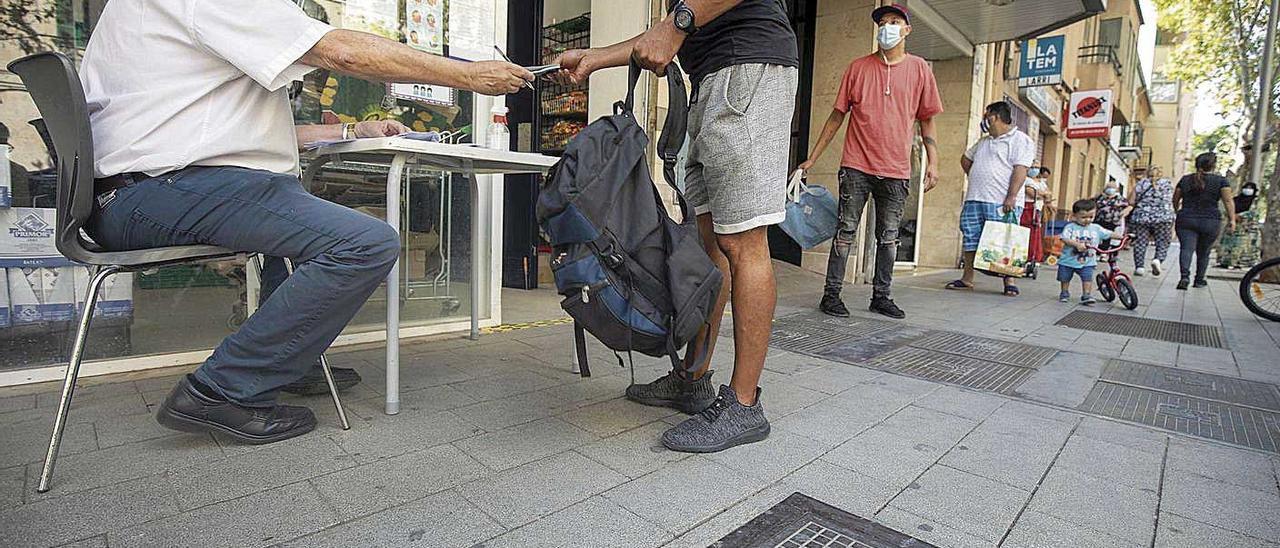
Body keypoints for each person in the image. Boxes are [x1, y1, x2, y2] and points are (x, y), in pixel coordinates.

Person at [80, 0, 532, 444]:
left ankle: (289, 356)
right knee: (365, 243)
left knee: (296, 212)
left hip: (147, 189)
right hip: (158, 191)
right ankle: (222, 389)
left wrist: (352, 132)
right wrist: (467, 75)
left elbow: (224, 133)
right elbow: (341, 51)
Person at [554, 0, 799, 452]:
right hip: (712, 77)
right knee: (711, 242)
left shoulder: (694, 17)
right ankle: (692, 379)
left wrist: (679, 21)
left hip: (749, 69)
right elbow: (661, 37)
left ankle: (745, 405)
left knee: (743, 240)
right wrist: (595, 59)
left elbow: (673, 27)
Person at [798, 3, 942, 320]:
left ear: (907, 29)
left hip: (896, 170)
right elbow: (837, 115)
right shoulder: (857, 68)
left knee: (889, 237)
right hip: (856, 166)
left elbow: (927, 120)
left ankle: (882, 296)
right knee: (845, 231)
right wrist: (812, 157)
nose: (886, 27)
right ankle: (831, 295)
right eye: (882, 22)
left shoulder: (920, 69)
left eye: (894, 21)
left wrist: (934, 162)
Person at [944, 101, 1033, 296]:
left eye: (987, 116)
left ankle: (1008, 280)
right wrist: (977, 175)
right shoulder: (984, 142)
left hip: (1002, 202)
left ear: (995, 117)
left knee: (1005, 240)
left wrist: (1011, 196)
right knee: (970, 238)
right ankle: (967, 278)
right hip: (976, 198)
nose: (985, 120)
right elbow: (966, 159)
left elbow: (1021, 170)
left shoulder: (1020, 140)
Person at [1173, 152, 1237, 289]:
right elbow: (1228, 200)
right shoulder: (1221, 181)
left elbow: (1176, 198)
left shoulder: (1185, 179)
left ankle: (1184, 277)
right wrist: (1232, 219)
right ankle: (1199, 279)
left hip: (1186, 218)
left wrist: (1177, 211)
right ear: (1213, 165)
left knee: (1186, 249)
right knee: (1204, 251)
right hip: (1210, 220)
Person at [1057, 199, 1114, 305]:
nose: (1087, 220)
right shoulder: (1070, 227)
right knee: (1065, 277)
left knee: (1087, 277)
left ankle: (1086, 295)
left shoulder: (1096, 228)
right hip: (1068, 260)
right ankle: (1064, 292)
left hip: (1088, 261)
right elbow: (1064, 238)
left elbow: (1109, 234)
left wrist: (1124, 237)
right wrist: (1076, 244)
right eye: (1083, 217)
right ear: (1074, 216)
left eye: (1091, 217)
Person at [1127, 166, 1175, 276]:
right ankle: (1158, 260)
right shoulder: (1168, 184)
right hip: (1163, 217)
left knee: (1140, 242)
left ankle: (1139, 267)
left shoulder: (1141, 183)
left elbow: (1131, 201)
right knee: (1163, 242)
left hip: (1142, 217)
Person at [1217, 182, 1261, 269]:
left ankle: (1244, 263)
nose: (1248, 190)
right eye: (1246, 187)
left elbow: (1255, 213)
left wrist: (1240, 216)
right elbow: (1227, 209)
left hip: (1248, 229)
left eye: (1250, 188)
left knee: (1245, 246)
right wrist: (1232, 216)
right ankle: (1227, 262)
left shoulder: (1255, 202)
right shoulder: (1235, 199)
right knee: (1230, 246)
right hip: (1234, 226)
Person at [1021, 166, 1055, 263]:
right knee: (1028, 231)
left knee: (1036, 232)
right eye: (1033, 167)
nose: (1035, 169)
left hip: (1037, 208)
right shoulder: (1026, 179)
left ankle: (1035, 256)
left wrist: (1044, 196)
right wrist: (1043, 195)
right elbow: (1033, 194)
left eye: (1037, 167)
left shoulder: (1040, 182)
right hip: (1027, 208)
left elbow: (1047, 195)